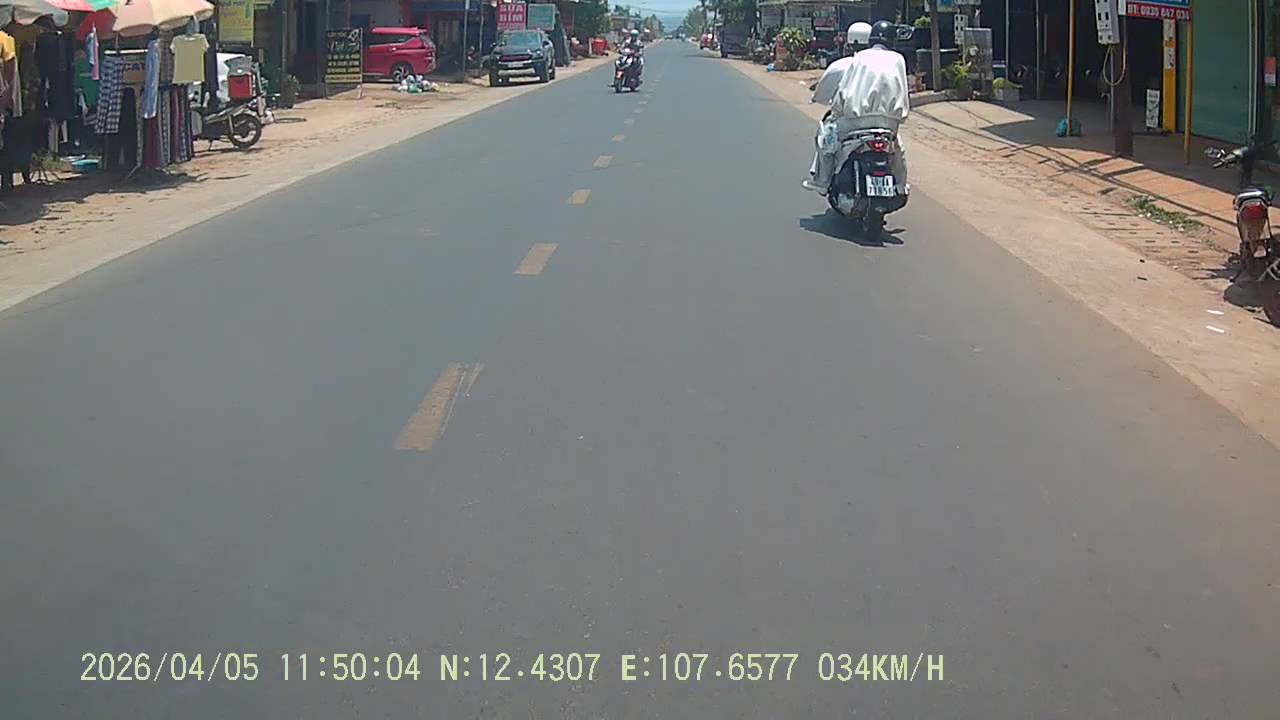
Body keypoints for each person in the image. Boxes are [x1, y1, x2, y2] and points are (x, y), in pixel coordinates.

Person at [804, 19, 909, 194]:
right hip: (889, 123)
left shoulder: (858, 58)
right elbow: (902, 89)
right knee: (898, 151)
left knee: (826, 140)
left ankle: (822, 181)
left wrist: (837, 110)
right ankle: (900, 186)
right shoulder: (898, 59)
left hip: (855, 121)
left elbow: (845, 88)